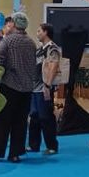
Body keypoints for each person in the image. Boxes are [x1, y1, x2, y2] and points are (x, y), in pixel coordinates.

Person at [0, 12, 37, 163]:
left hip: (9, 85)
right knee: (20, 122)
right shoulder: (31, 42)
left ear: (14, 24)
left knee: (1, 120)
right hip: (27, 88)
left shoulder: (8, 41)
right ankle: (15, 153)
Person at [28, 22, 61, 155]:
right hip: (34, 88)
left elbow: (53, 66)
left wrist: (47, 84)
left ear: (46, 32)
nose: (37, 34)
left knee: (46, 117)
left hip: (44, 88)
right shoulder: (40, 49)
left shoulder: (52, 49)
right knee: (34, 116)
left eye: (39, 31)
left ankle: (52, 146)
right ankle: (33, 145)